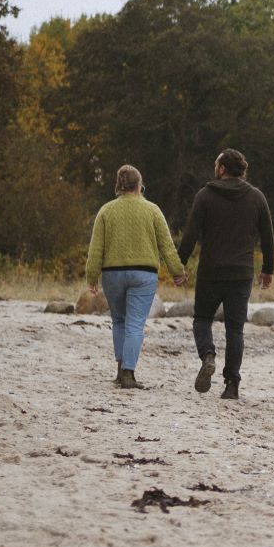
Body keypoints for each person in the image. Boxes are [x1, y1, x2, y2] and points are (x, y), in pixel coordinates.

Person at [178, 149, 274, 400]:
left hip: (210, 272)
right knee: (235, 329)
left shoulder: (205, 196)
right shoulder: (256, 198)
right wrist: (268, 270)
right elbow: (267, 237)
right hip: (241, 273)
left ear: (222, 169)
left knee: (202, 319)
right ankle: (232, 384)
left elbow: (190, 235)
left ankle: (208, 356)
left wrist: (179, 266)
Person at [86, 164, 187, 389]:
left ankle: (119, 371)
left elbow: (96, 248)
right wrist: (177, 272)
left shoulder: (106, 211)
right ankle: (129, 374)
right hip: (144, 274)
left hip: (112, 274)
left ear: (118, 185)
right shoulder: (152, 210)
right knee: (134, 324)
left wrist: (91, 277)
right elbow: (167, 246)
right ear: (140, 185)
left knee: (119, 321)